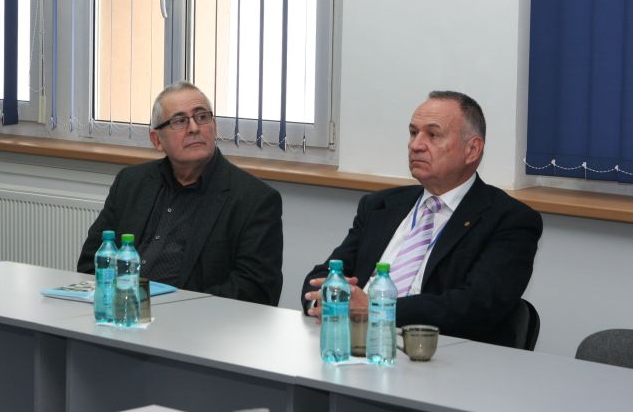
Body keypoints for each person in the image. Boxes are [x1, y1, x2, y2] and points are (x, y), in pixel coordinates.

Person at [302, 91, 542, 345]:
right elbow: (327, 272)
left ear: (472, 149)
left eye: (433, 135)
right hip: (352, 343)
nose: (416, 145)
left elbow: (477, 305)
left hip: (440, 353)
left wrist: (376, 309)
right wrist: (328, 299)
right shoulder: (379, 206)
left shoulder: (509, 220)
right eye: (413, 132)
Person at [77, 81, 283, 306]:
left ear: (214, 127)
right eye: (179, 121)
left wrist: (175, 308)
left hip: (195, 320)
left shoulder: (254, 200)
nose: (194, 128)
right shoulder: (131, 183)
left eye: (202, 117)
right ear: (157, 140)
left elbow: (256, 291)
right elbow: (90, 263)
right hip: (122, 312)